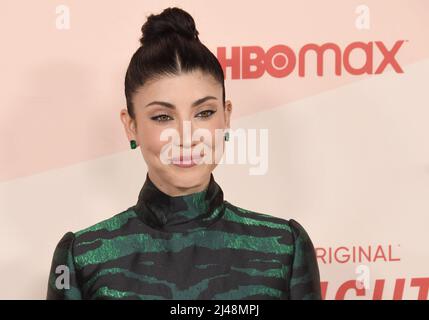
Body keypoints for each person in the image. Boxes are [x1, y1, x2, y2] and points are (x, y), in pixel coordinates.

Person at [46, 6, 321, 300]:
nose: (187, 137)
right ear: (131, 126)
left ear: (226, 116)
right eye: (162, 117)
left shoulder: (285, 249)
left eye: (204, 112)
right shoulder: (82, 258)